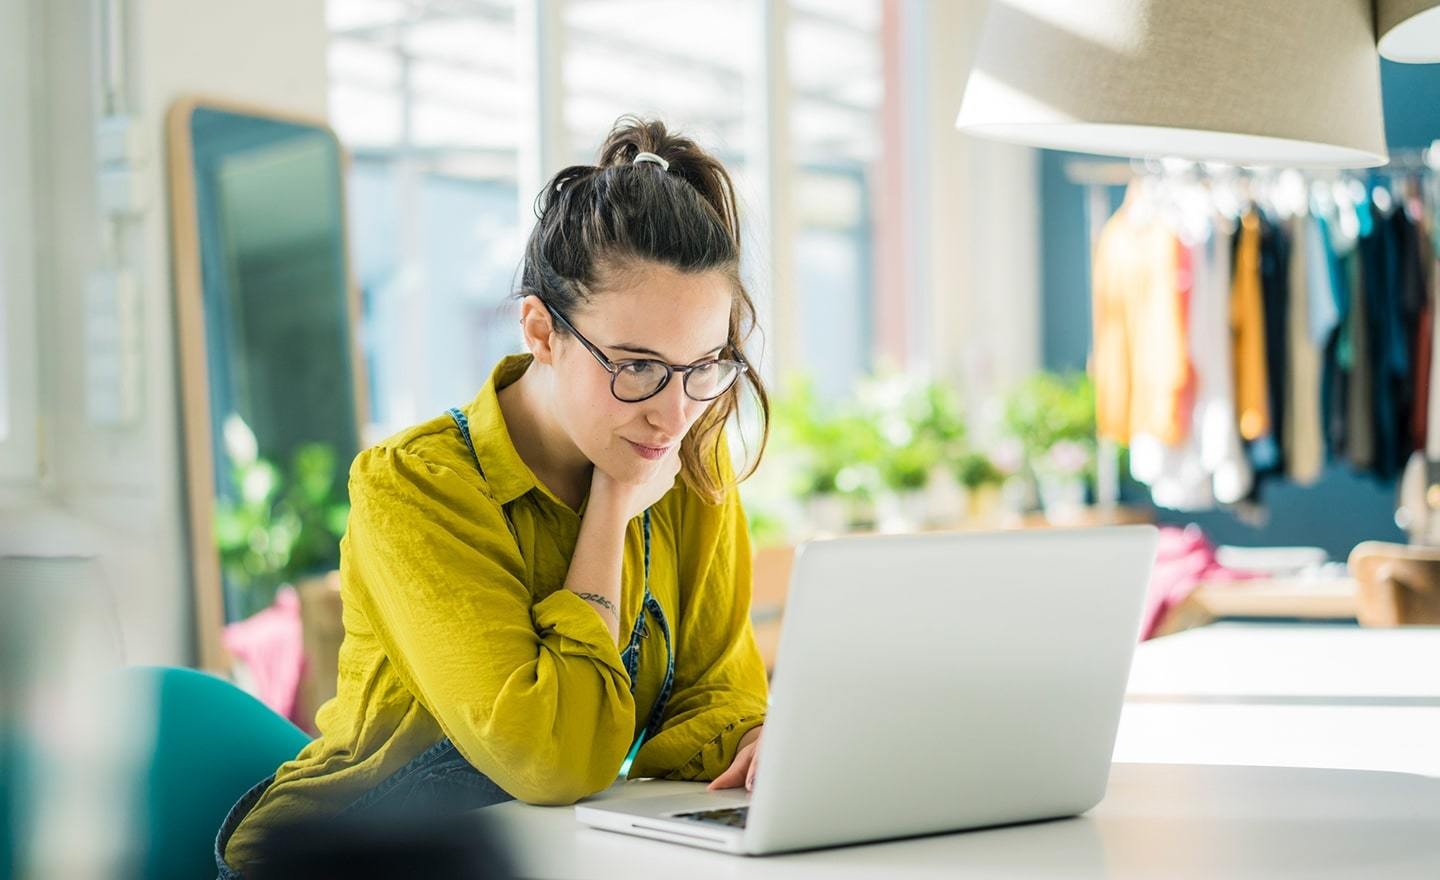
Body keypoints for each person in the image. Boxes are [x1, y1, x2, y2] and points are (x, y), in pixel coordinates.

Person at [215, 116, 772, 878]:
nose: (674, 413)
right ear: (541, 330)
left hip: (541, 855)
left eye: (703, 367)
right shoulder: (412, 487)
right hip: (347, 859)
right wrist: (613, 508)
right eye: (637, 367)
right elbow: (554, 758)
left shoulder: (682, 466)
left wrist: (753, 744)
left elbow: (713, 698)